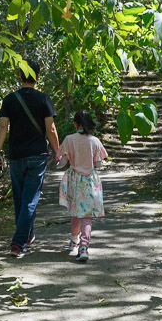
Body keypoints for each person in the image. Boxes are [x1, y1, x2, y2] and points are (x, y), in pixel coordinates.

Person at [0, 60, 60, 258]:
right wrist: (59, 151)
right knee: (30, 200)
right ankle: (18, 243)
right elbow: (50, 129)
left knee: (20, 200)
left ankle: (26, 237)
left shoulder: (9, 99)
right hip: (37, 156)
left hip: (16, 156)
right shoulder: (44, 99)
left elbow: (3, 128)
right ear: (37, 77)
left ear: (19, 76)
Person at [55, 110, 108, 263]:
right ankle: (84, 247)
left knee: (75, 210)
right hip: (90, 180)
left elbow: (62, 164)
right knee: (87, 215)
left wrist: (58, 162)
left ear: (75, 123)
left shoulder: (69, 139)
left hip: (74, 179)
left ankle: (73, 240)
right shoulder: (95, 141)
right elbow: (98, 164)